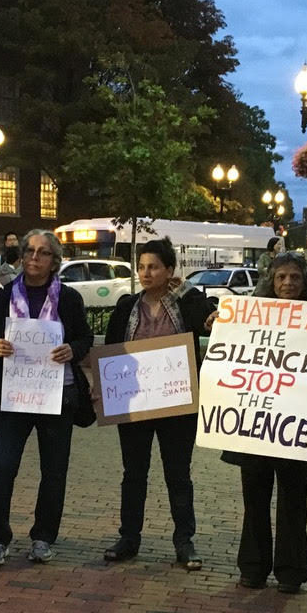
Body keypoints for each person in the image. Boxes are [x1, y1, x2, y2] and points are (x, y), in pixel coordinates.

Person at [222, 253, 307, 594]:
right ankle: (253, 567)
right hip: (257, 420)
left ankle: (291, 572)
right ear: (271, 281)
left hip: (297, 423)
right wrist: (219, 328)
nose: (288, 283)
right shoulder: (252, 317)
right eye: (281, 277)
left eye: (294, 277)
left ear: (306, 282)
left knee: (294, 498)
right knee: (255, 497)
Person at [101, 238, 216, 570]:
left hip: (177, 404)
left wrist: (182, 293)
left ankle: (184, 542)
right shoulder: (126, 306)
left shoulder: (187, 301)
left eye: (153, 267)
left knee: (178, 474)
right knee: (133, 473)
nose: (146, 273)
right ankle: (129, 538)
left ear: (169, 270)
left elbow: (207, 321)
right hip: (134, 402)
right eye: (141, 267)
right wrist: (104, 388)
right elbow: (110, 352)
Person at [0, 229, 94, 566]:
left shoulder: (69, 298)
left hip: (57, 396)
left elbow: (85, 338)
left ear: (54, 260)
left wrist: (72, 348)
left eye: (43, 253)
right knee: (1, 468)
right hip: (15, 396)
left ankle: (43, 537)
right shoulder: (4, 298)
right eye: (29, 251)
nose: (34, 257)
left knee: (54, 471)